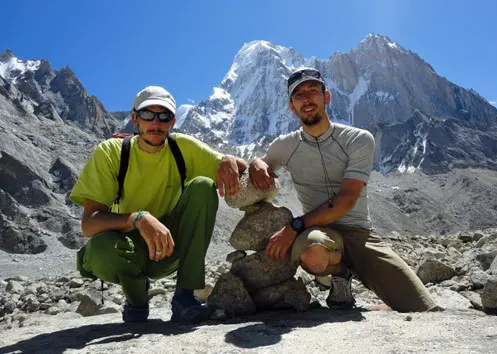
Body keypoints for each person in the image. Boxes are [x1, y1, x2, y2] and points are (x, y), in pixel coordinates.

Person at [249, 68, 439, 312]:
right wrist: (256, 162)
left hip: (360, 234)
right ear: (291, 106)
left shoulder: (358, 139)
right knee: (313, 251)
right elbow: (264, 163)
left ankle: (373, 293)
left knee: (424, 308)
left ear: (326, 97)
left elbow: (346, 199)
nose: (306, 99)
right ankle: (340, 275)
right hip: (319, 232)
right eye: (298, 95)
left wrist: (293, 227)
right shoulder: (286, 145)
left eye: (313, 91)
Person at [70, 86, 246, 323]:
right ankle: (136, 300)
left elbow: (233, 168)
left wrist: (233, 159)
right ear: (135, 119)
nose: (155, 122)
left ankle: (185, 297)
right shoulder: (111, 153)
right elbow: (89, 225)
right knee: (101, 249)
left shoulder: (183, 148)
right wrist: (138, 218)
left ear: (172, 122)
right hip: (129, 247)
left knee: (203, 186)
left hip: (168, 247)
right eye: (147, 115)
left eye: (163, 116)